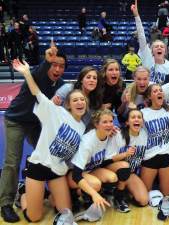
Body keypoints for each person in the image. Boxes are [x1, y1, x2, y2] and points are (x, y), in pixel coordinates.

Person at [12, 59, 86, 223]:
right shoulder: (55, 112)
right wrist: (26, 73)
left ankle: (44, 195)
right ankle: (24, 194)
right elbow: (37, 93)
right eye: (75, 100)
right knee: (34, 217)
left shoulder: (83, 129)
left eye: (82, 100)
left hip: (57, 172)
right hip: (39, 166)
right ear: (68, 104)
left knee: (66, 212)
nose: (79, 102)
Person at [0, 45, 66, 223]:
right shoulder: (38, 75)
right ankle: (6, 203)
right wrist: (47, 60)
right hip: (17, 121)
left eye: (61, 66)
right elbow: (38, 71)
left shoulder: (60, 85)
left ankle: (33, 186)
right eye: (54, 65)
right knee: (12, 161)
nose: (57, 69)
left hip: (36, 123)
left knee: (51, 154)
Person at [69, 109, 132, 213]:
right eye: (105, 122)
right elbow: (76, 175)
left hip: (92, 169)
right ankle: (76, 194)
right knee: (95, 184)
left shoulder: (109, 134)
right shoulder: (88, 142)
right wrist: (95, 194)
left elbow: (105, 161)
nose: (109, 125)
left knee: (115, 175)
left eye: (111, 121)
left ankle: (116, 197)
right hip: (75, 175)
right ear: (96, 124)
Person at [140, 84, 169, 196]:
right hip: (150, 155)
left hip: (167, 154)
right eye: (155, 91)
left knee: (166, 194)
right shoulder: (142, 113)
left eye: (160, 90)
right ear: (149, 97)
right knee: (144, 196)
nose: (159, 92)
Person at [109, 109, 149, 206]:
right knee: (125, 165)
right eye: (133, 117)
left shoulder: (144, 134)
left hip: (130, 173)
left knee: (143, 201)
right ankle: (118, 196)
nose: (136, 119)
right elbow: (108, 159)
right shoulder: (118, 134)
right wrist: (125, 154)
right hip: (112, 170)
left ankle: (124, 191)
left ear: (142, 122)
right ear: (127, 122)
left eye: (139, 117)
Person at [131, 1, 169, 84]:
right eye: (156, 46)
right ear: (151, 50)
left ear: (165, 51)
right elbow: (141, 36)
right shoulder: (147, 56)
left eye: (162, 47)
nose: (159, 47)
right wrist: (136, 16)